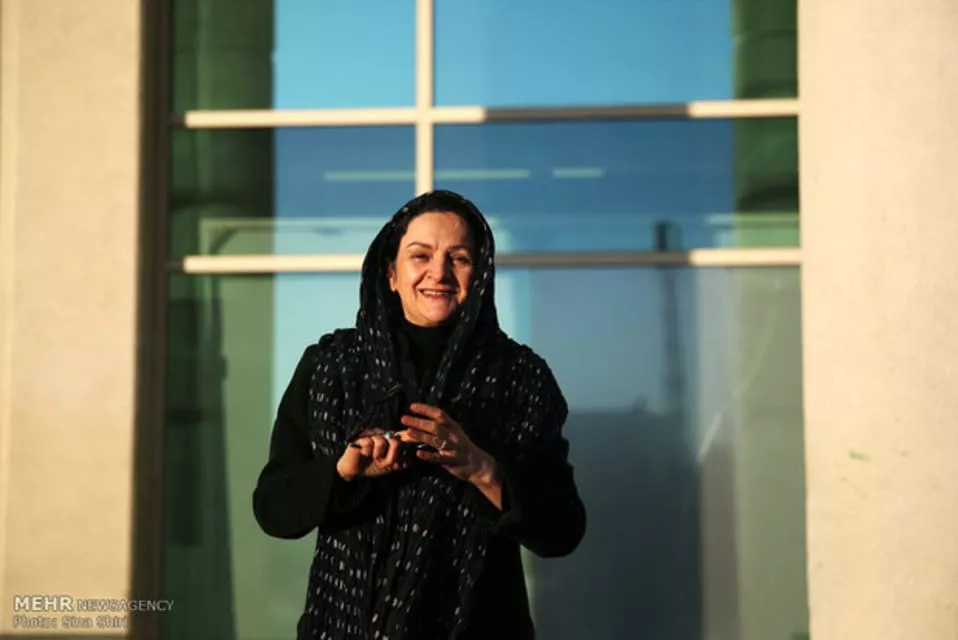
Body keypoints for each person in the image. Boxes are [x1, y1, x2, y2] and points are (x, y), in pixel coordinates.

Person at [252, 190, 586, 639]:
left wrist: (481, 468)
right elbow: (273, 508)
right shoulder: (330, 367)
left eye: (459, 258)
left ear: (480, 275)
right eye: (420, 255)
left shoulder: (521, 378)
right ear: (391, 273)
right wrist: (343, 473)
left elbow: (562, 529)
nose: (439, 273)